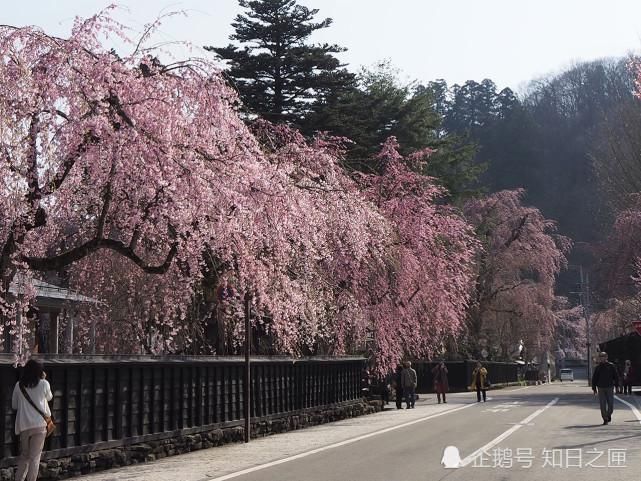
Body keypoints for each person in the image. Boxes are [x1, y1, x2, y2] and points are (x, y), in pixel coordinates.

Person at [12, 359, 53, 481]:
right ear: (40, 371)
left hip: (24, 425)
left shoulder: (18, 385)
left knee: (25, 456)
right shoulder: (44, 383)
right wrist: (44, 379)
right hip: (39, 425)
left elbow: (14, 405)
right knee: (35, 457)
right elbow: (50, 397)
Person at [591, 351, 618, 425]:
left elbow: (615, 376)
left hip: (609, 387)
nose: (602, 358)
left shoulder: (611, 366)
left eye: (603, 356)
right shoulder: (598, 367)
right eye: (601, 357)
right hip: (601, 387)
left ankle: (608, 414)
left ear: (606, 357)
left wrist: (617, 386)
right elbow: (594, 378)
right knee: (602, 404)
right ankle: (605, 419)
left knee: (611, 404)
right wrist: (594, 388)